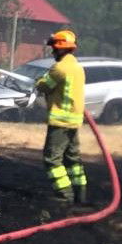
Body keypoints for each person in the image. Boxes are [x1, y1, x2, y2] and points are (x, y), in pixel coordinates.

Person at [34, 29, 88, 206]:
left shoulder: (60, 68)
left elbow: (44, 86)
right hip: (73, 120)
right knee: (73, 159)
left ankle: (64, 195)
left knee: (52, 158)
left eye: (55, 48)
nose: (53, 52)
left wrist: (38, 81)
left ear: (62, 49)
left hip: (60, 122)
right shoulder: (77, 67)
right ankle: (81, 195)